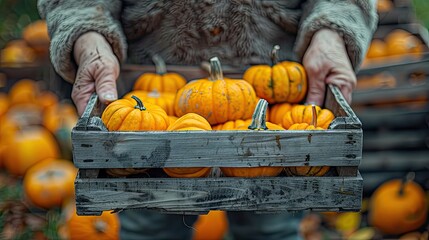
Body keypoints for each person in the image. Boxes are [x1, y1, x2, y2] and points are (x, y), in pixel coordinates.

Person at [38, 1, 378, 239]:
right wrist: (87, 34)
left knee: (271, 226)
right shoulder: (153, 110)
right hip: (141, 94)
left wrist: (332, 30)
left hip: (281, 107)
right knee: (149, 223)